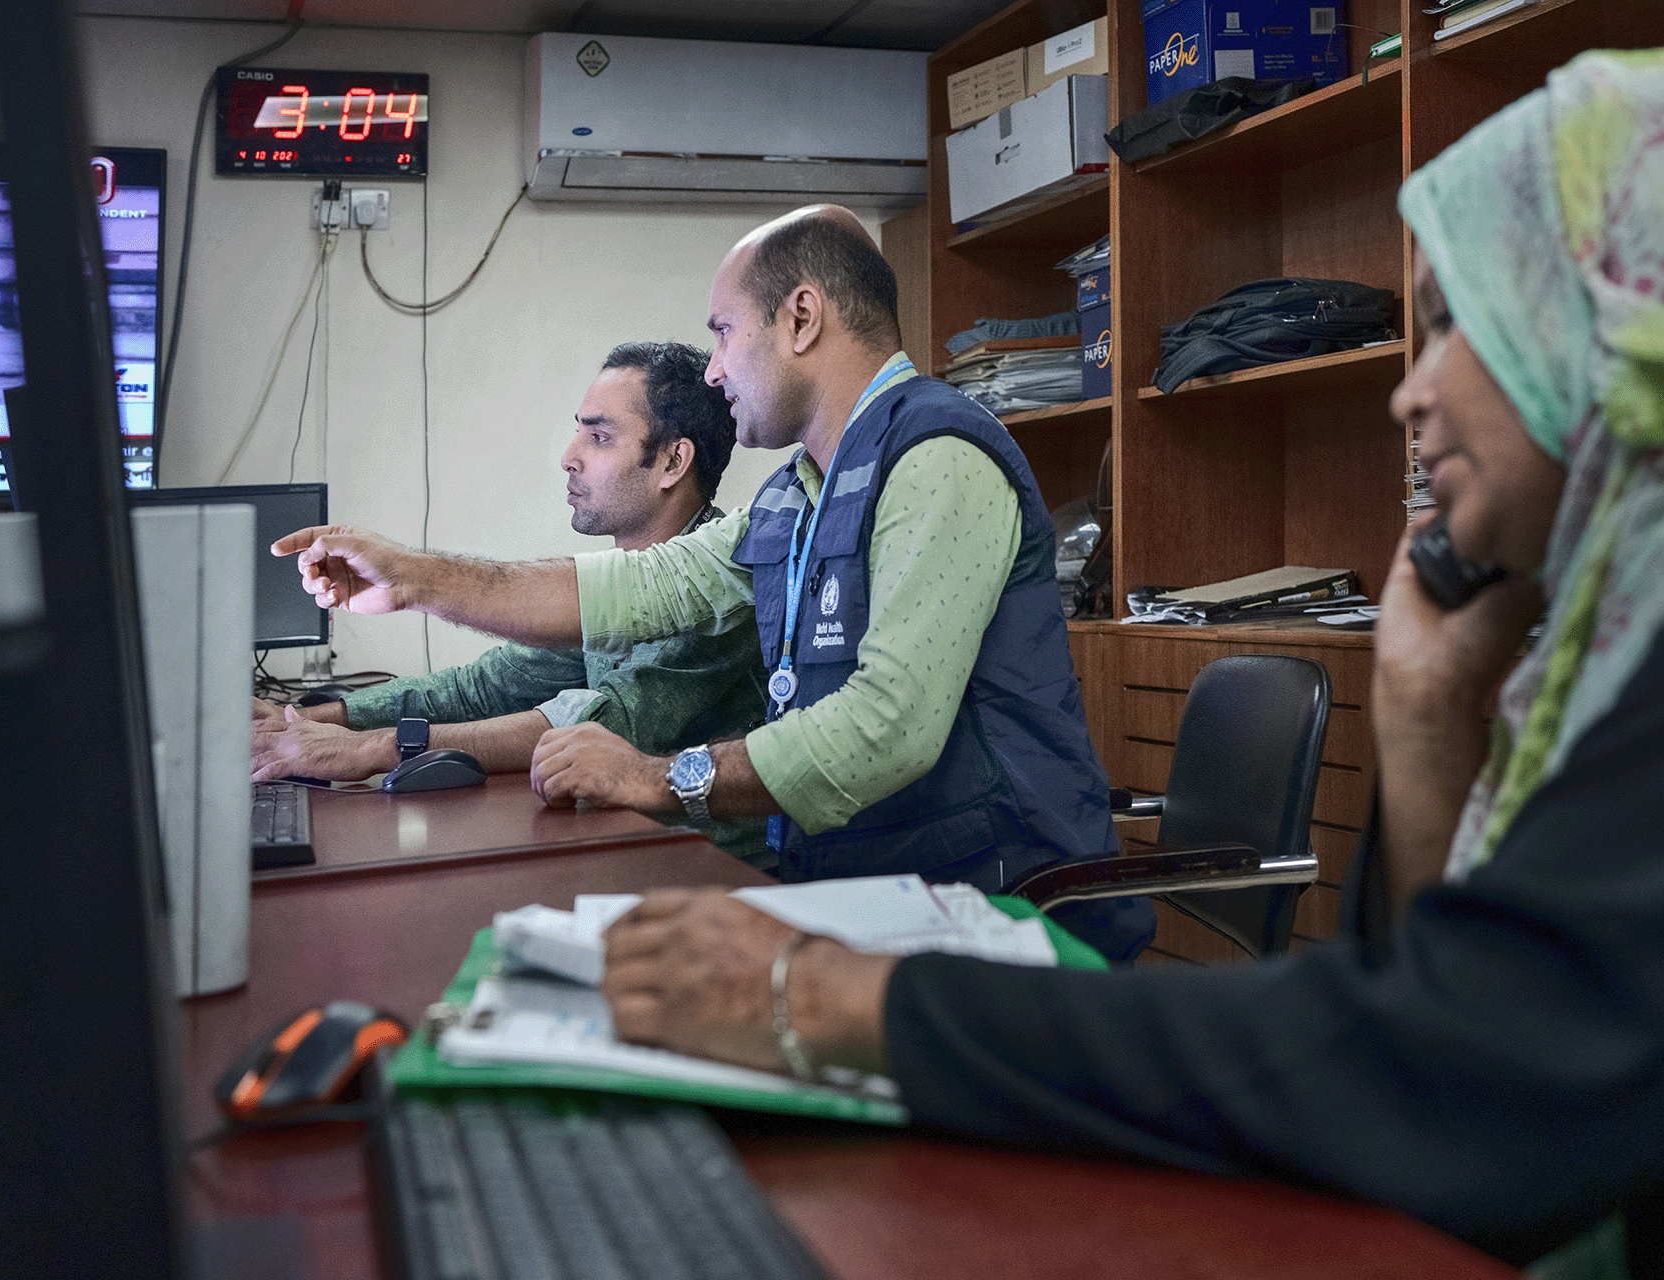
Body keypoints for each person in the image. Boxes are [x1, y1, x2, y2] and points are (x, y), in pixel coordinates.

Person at [590, 51, 1664, 1277]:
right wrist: (1424, 702)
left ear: (1631, 315)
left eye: (1450, 325)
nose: (1408, 396)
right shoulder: (1661, 589)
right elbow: (1440, 1019)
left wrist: (847, 1003)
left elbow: (1452, 1076)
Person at [276, 206, 1150, 962]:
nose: (715, 368)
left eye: (725, 332)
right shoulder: (796, 493)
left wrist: (659, 777)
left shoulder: (936, 455)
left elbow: (885, 732)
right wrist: (413, 577)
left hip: (998, 910)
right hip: (872, 893)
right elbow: (629, 593)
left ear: (801, 317)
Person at [253, 342, 772, 866]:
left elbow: (595, 724)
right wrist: (305, 719)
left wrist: (367, 749)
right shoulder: (620, 590)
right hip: (628, 850)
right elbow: (489, 687)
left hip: (715, 876)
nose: (569, 457)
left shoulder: (717, 597)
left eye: (598, 437)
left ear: (672, 462)